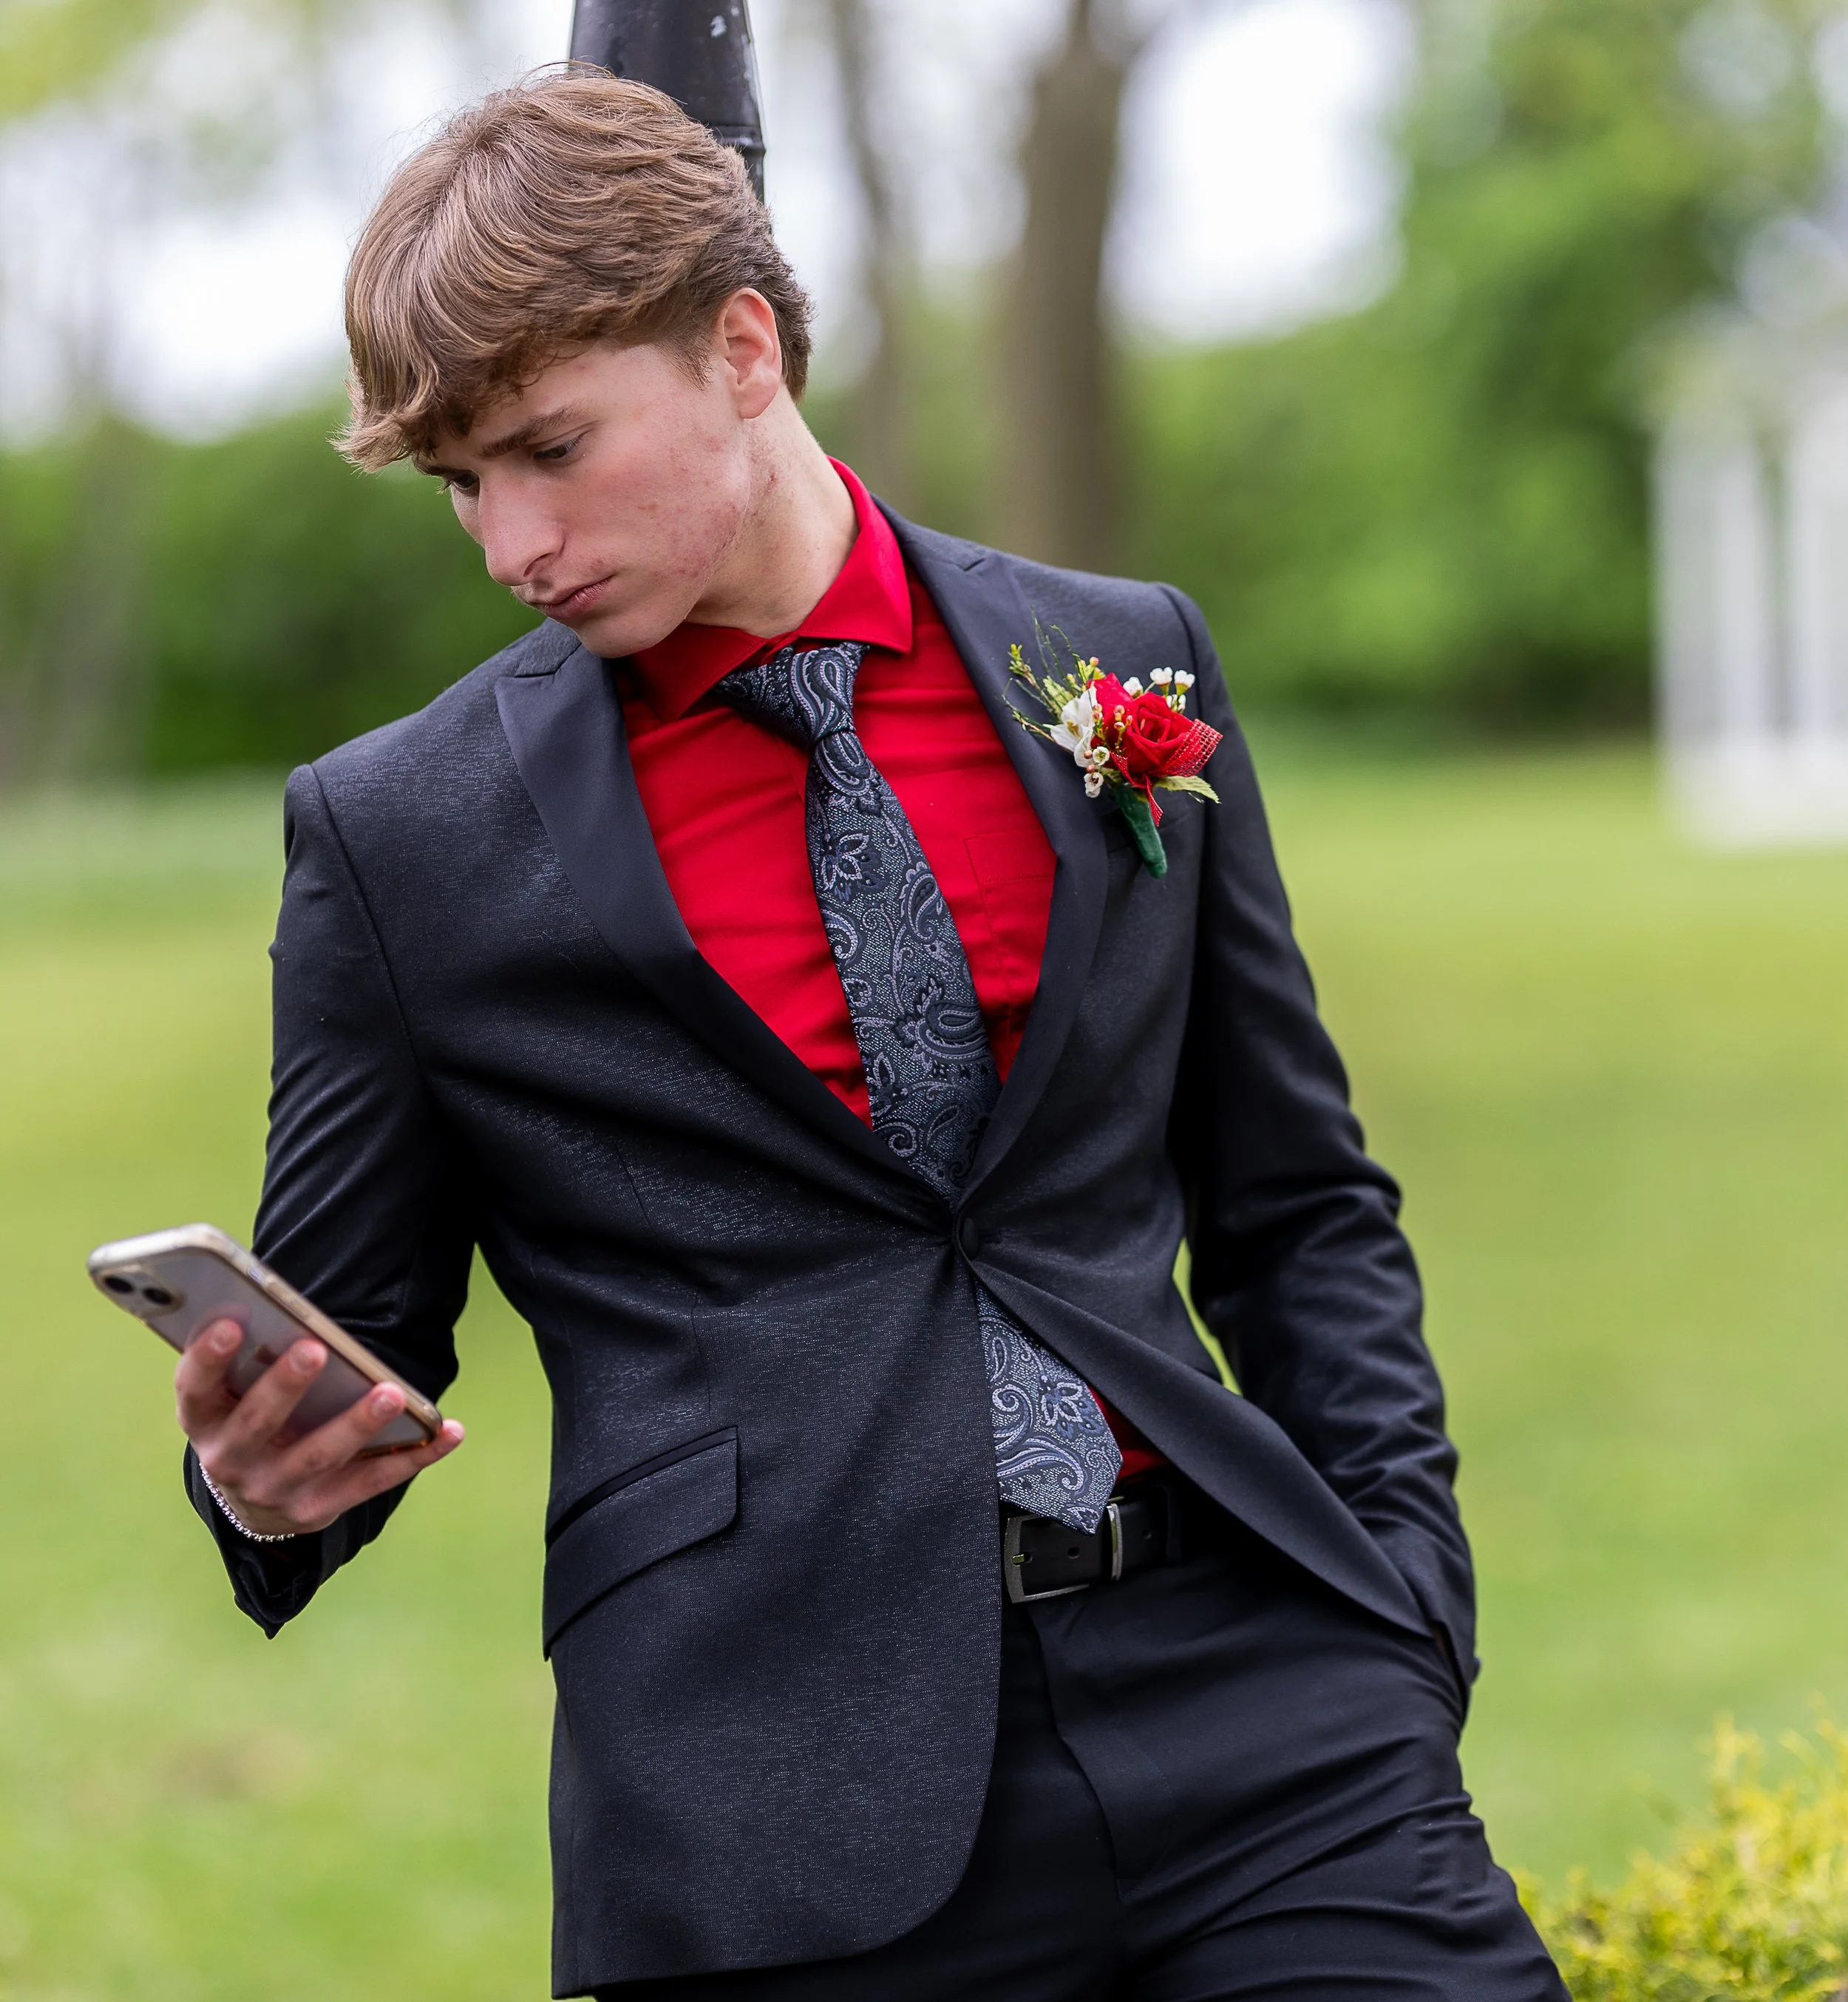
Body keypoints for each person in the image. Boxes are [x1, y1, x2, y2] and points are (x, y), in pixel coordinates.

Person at [171, 68, 1566, 2002]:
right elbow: (340, 1329)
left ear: (743, 344)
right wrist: (261, 1472)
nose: (509, 541)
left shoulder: (1117, 657)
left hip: (1270, 1729)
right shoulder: (400, 833)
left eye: (550, 449)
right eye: (462, 483)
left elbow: (1295, 1196)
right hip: (768, 1811)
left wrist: (1402, 1612)